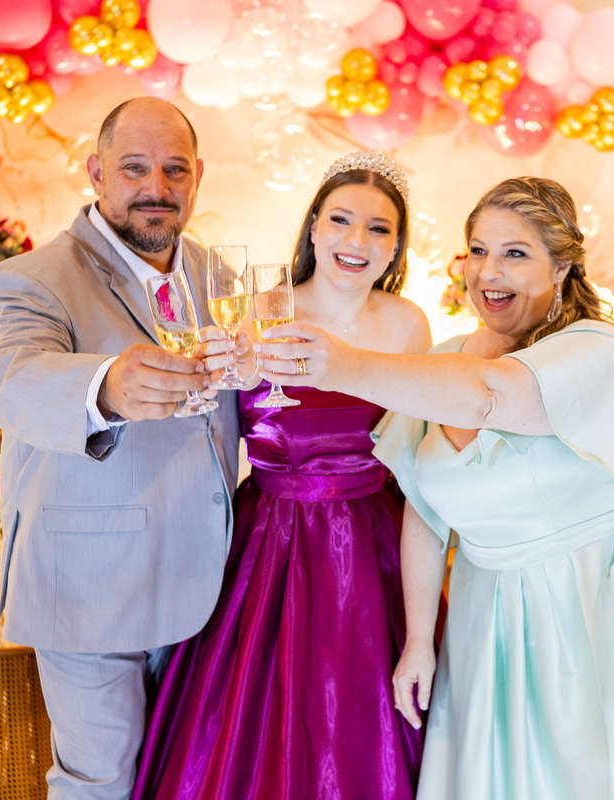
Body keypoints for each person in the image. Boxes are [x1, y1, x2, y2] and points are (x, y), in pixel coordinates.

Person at [256, 177, 614, 799]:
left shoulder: (598, 350)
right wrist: (418, 640)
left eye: (515, 253)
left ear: (562, 267)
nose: (490, 271)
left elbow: (491, 396)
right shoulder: (447, 357)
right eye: (479, 251)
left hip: (580, 606)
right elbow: (423, 509)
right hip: (478, 612)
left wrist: (342, 365)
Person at [130, 151, 433, 800]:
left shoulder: (409, 324)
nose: (356, 240)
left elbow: (414, 450)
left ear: (396, 246)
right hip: (269, 540)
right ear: (314, 226)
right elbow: (205, 413)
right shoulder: (258, 309)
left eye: (378, 228)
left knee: (361, 725)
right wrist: (213, 377)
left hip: (372, 545)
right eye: (341, 220)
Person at [0, 97, 241, 800]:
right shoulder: (32, 278)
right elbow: (10, 379)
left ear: (198, 177)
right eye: (133, 168)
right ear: (96, 173)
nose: (157, 187)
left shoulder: (218, 277)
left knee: (184, 778)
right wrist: (107, 386)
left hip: (207, 585)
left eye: (175, 169)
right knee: (100, 784)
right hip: (88, 585)